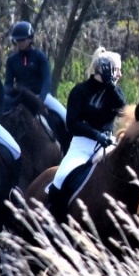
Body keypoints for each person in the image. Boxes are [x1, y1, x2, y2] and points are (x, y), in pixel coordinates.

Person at [47, 48, 127, 212]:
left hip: (108, 146)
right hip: (82, 146)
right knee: (60, 178)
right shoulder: (80, 91)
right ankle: (56, 218)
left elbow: (123, 110)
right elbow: (73, 123)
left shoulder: (115, 92)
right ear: (106, 69)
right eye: (117, 70)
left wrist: (110, 84)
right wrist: (96, 135)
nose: (120, 74)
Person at [4, 21, 67, 135]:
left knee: (66, 116)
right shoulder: (11, 60)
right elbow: (8, 83)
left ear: (30, 39)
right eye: (17, 40)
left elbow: (47, 80)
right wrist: (5, 95)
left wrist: (40, 100)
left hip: (40, 95)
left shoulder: (40, 57)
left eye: (22, 40)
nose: (20, 43)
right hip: (21, 97)